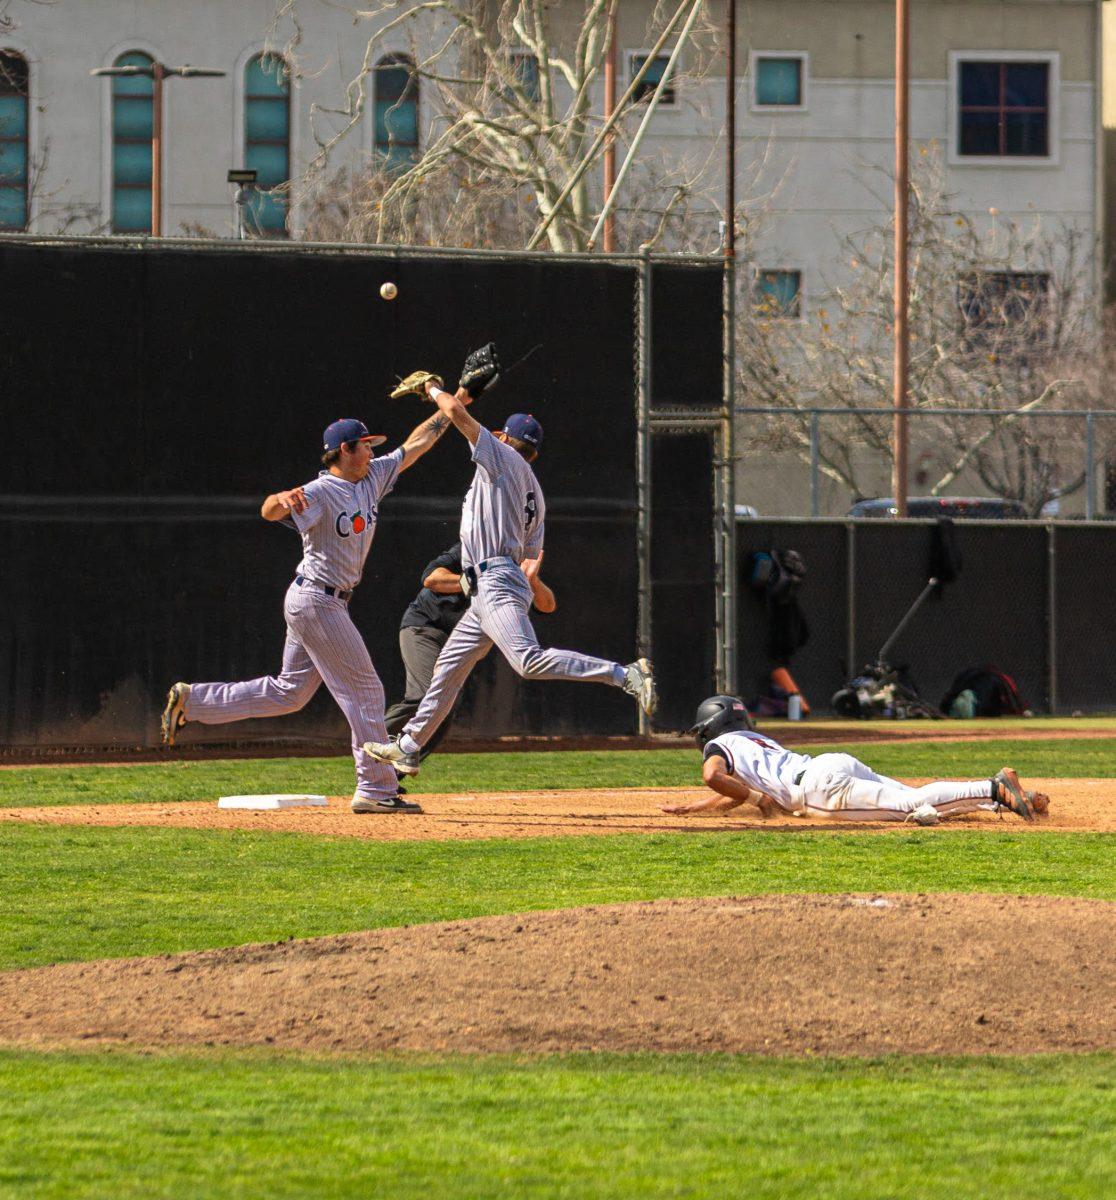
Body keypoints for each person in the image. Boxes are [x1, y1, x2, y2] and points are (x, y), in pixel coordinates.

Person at [160, 411, 452, 814]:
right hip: (318, 601)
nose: (372, 450)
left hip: (317, 600)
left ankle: (193, 703)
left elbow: (418, 444)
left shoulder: (372, 477)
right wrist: (279, 501)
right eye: (365, 445)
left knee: (290, 693)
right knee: (366, 691)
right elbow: (268, 511)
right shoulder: (322, 490)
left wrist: (455, 401)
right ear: (345, 451)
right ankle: (376, 789)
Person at [364, 379, 656, 776]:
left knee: (528, 661)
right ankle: (410, 747)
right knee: (447, 671)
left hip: (495, 579)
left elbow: (455, 413)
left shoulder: (501, 458)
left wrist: (433, 388)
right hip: (493, 583)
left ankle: (625, 674)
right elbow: (532, 559)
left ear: (502, 437)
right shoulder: (534, 490)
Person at [662, 694, 1050, 824]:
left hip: (817, 790)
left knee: (909, 806)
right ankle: (1008, 800)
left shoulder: (720, 747)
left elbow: (716, 777)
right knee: (918, 804)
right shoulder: (753, 739)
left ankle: (994, 788)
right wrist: (697, 808)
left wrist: (760, 802)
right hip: (830, 765)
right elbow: (737, 788)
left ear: (711, 726)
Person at [384, 540, 557, 762]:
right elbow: (431, 579)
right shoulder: (473, 548)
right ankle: (371, 745)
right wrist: (475, 579)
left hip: (459, 642)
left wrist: (532, 580)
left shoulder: (517, 562)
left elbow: (548, 606)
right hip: (426, 628)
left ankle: (393, 776)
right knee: (425, 697)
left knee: (442, 710)